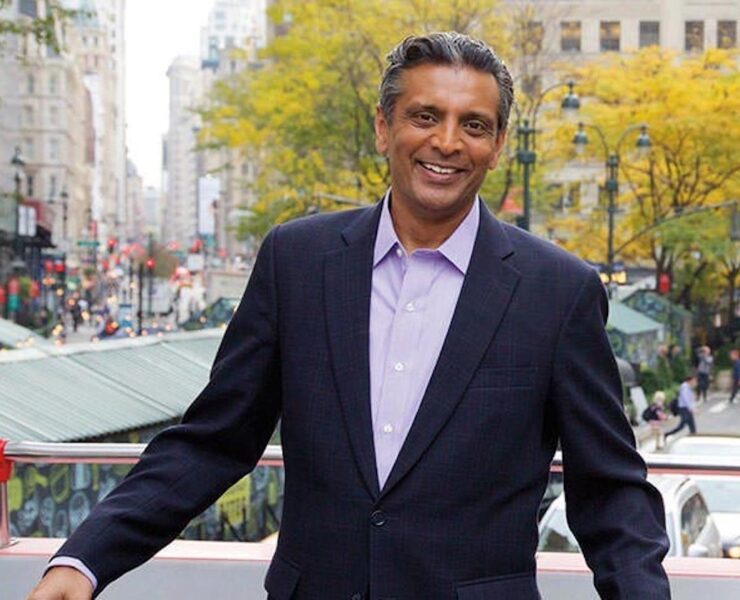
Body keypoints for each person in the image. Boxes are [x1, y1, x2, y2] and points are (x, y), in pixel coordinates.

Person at [28, 32, 669, 600]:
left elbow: (610, 491)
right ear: (383, 127)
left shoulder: (558, 291)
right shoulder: (296, 261)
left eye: (474, 125)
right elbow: (214, 440)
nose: (447, 142)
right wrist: (85, 560)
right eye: (425, 116)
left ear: (499, 144)